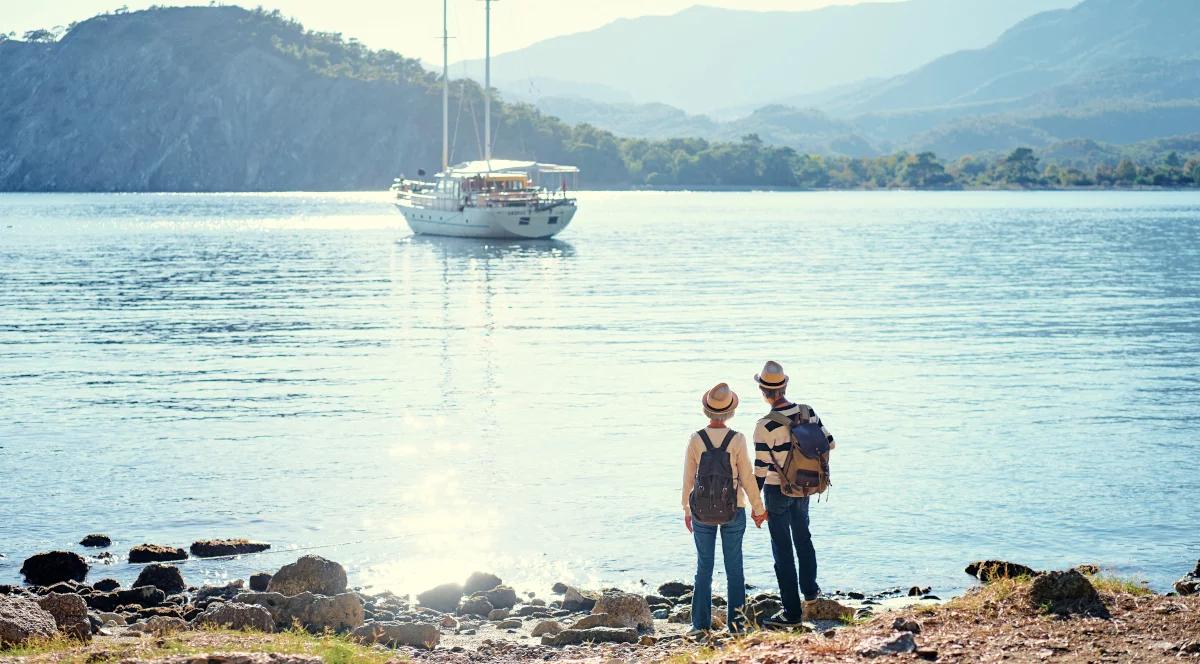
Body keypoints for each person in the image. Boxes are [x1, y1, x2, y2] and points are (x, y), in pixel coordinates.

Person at [752, 361, 836, 628]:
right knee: (803, 537)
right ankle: (810, 592)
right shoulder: (807, 411)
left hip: (778, 490)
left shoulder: (765, 425)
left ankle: (791, 614)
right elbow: (830, 443)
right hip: (806, 486)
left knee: (782, 550)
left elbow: (762, 470)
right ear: (785, 386)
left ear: (763, 391)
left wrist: (755, 505)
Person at [682, 383, 768, 634]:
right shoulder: (737, 439)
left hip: (701, 511)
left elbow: (688, 478)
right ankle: (737, 626)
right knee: (734, 568)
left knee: (704, 567)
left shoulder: (696, 439)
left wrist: (687, 509)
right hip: (734, 509)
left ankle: (699, 625)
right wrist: (758, 508)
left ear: (706, 411)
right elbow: (747, 478)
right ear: (730, 412)